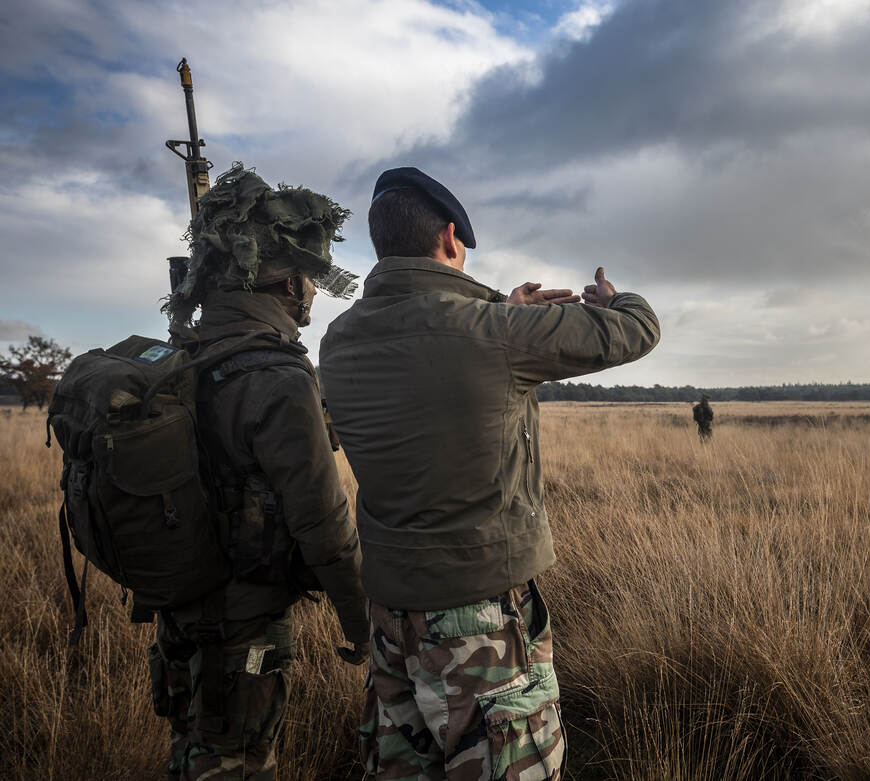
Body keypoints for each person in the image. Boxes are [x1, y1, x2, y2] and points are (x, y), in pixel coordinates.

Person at [319, 166, 661, 781]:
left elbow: (430, 361)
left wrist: (500, 310)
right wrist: (615, 300)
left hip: (390, 616)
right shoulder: (495, 333)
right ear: (450, 238)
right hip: (479, 618)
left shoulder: (339, 340)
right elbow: (637, 331)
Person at [151, 164, 370, 780]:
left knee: (191, 751)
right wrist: (361, 621)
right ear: (288, 281)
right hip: (242, 622)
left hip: (179, 611)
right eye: (310, 275)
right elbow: (324, 523)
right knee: (236, 764)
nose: (315, 290)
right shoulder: (276, 376)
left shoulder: (182, 355)